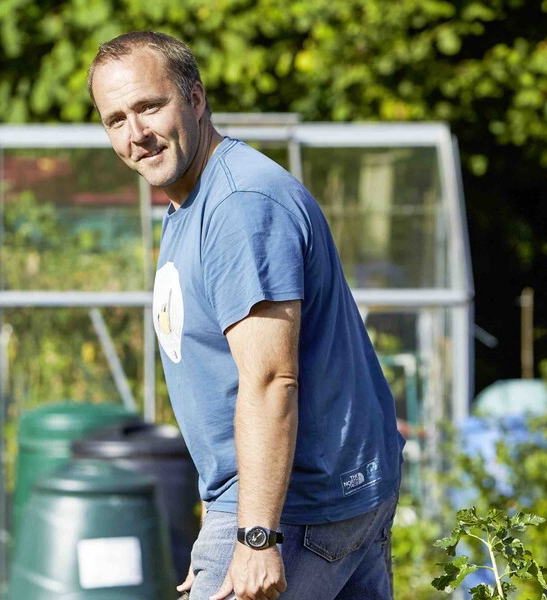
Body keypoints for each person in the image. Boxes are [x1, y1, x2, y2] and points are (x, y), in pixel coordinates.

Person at [87, 32, 407, 600]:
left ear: (196, 97)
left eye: (149, 106)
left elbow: (269, 379)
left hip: (296, 508)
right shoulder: (195, 199)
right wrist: (219, 528)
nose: (136, 134)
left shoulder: (240, 205)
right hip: (306, 498)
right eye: (115, 119)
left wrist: (254, 538)